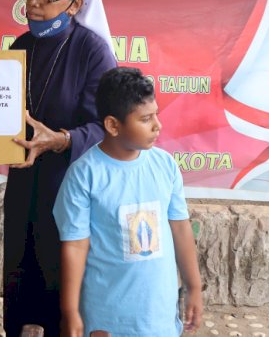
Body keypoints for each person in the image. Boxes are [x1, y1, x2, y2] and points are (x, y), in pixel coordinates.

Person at [4, 0, 118, 336]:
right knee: (21, 277)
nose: (32, 4)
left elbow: (108, 126)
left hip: (70, 185)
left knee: (63, 285)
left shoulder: (92, 51)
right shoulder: (19, 46)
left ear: (75, 5)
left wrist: (61, 140)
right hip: (23, 182)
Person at [53, 67, 203, 336]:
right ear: (113, 125)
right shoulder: (84, 175)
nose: (158, 125)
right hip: (106, 318)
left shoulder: (165, 165)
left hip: (159, 317)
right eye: (145, 118)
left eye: (156, 114)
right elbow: (75, 246)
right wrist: (71, 311)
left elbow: (180, 228)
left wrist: (193, 287)